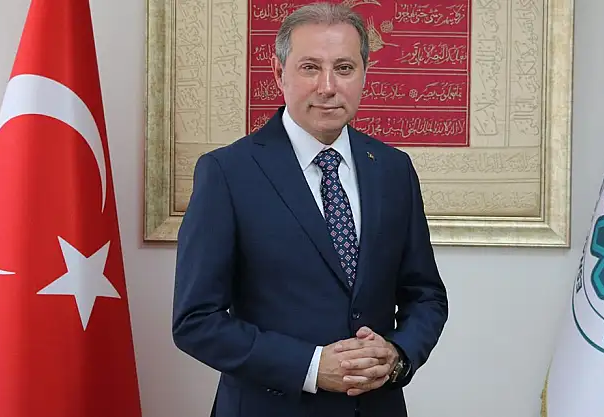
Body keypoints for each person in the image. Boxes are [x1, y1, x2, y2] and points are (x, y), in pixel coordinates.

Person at [172, 3, 449, 416]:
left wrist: (397, 354)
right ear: (278, 72)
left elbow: (426, 296)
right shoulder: (227, 172)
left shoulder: (393, 169)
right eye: (310, 68)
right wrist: (312, 367)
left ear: (364, 73)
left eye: (344, 68)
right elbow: (195, 321)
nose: (327, 86)